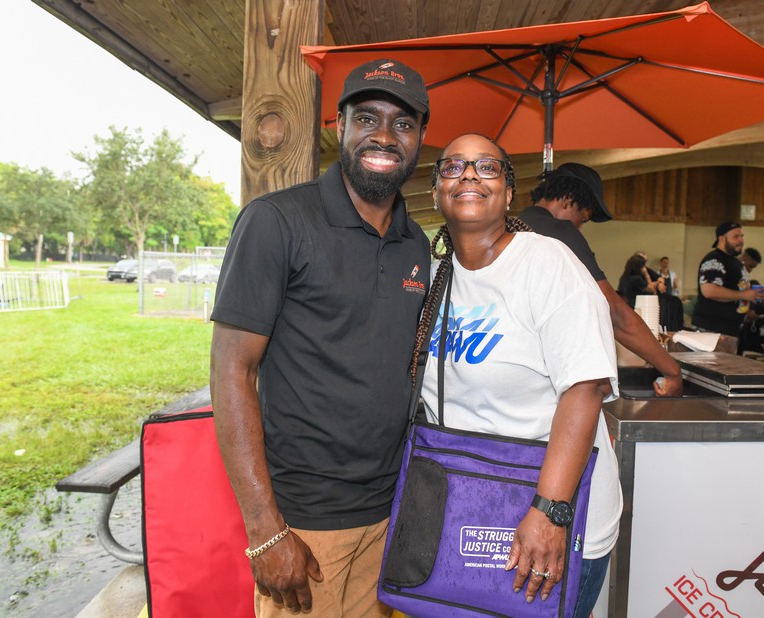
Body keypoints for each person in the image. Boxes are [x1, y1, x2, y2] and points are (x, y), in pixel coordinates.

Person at [209, 58, 431, 616]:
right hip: (304, 524)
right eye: (368, 118)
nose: (385, 136)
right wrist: (265, 529)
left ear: (420, 139)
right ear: (339, 125)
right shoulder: (276, 221)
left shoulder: (416, 245)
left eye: (403, 124)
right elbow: (232, 370)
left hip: (391, 510)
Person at [414, 133, 622, 617]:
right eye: (453, 167)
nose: (469, 174)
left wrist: (550, 512)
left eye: (487, 167)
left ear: (509, 193)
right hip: (475, 507)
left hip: (553, 511)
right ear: (436, 192)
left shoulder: (548, 263)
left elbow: (585, 388)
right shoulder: (435, 273)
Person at [519, 163, 683, 397]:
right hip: (541, 383)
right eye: (583, 219)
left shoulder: (513, 226)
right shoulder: (559, 232)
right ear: (567, 199)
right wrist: (672, 371)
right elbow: (613, 312)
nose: (579, 229)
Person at [692, 221, 764, 336]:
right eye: (736, 236)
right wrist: (744, 294)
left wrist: (752, 296)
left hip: (730, 329)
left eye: (742, 236)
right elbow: (709, 290)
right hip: (712, 329)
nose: (741, 240)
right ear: (722, 238)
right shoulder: (715, 260)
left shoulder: (735, 262)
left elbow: (736, 291)